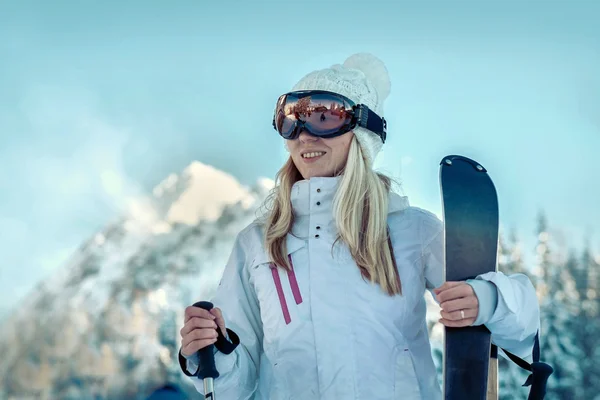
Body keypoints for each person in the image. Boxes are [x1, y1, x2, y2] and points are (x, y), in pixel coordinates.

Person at [178, 53, 540, 399]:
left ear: (362, 132)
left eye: (323, 117)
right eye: (291, 119)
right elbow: (233, 388)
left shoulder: (411, 231)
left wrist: (489, 299)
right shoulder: (257, 244)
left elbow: (524, 329)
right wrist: (210, 352)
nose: (304, 134)